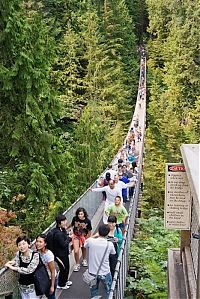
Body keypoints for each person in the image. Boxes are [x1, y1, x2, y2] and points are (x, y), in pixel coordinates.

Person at [84, 224, 116, 299]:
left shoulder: (91, 241)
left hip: (92, 272)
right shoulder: (109, 244)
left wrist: (94, 236)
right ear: (108, 233)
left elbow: (85, 244)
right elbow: (113, 253)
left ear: (98, 231)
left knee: (94, 292)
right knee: (108, 291)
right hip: (105, 272)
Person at [68, 207, 92, 272]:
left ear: (84, 214)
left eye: (81, 214)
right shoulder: (75, 219)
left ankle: (84, 259)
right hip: (76, 236)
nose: (80, 215)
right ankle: (77, 263)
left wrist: (88, 238)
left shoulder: (87, 221)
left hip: (83, 236)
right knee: (76, 251)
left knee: (83, 248)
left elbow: (89, 230)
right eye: (79, 214)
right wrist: (66, 227)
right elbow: (72, 224)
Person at [52, 214, 72, 289]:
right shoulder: (58, 234)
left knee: (66, 267)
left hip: (63, 254)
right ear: (59, 223)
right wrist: (69, 238)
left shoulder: (61, 230)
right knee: (63, 268)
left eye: (65, 220)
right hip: (60, 255)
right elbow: (63, 244)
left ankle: (65, 280)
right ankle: (61, 284)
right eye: (63, 221)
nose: (65, 222)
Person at [35, 234, 57, 299]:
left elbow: (52, 271)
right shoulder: (38, 252)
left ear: (45, 244)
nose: (38, 243)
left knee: (51, 297)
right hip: (44, 278)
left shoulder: (48, 255)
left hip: (50, 279)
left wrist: (52, 286)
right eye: (37, 241)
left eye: (40, 242)